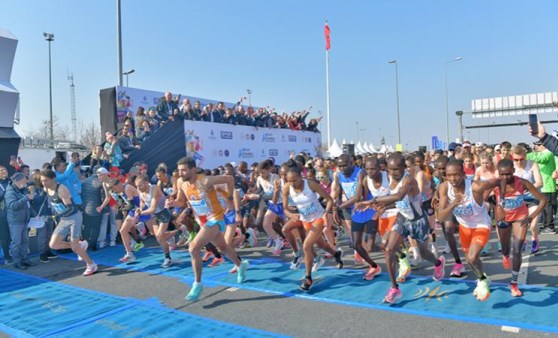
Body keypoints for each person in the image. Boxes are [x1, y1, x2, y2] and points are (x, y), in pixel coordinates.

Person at [167, 157, 249, 301]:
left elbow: (229, 179)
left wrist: (229, 198)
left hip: (216, 218)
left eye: (184, 170)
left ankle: (197, 284)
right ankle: (241, 264)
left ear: (193, 169)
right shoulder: (181, 182)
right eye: (179, 170)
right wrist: (173, 203)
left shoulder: (205, 181)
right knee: (223, 247)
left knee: (193, 248)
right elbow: (181, 201)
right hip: (202, 220)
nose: (180, 173)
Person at [370, 154, 445, 304]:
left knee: (423, 254)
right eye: (390, 169)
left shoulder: (408, 180)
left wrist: (371, 201)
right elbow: (398, 203)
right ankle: (394, 288)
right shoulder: (390, 179)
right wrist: (383, 207)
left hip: (418, 221)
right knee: (388, 250)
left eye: (396, 169)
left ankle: (438, 263)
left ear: (404, 168)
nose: (393, 172)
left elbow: (398, 197)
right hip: (402, 219)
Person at [436, 160, 502, 301]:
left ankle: (483, 281)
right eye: (449, 175)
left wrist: (500, 204)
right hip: (464, 227)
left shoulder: (476, 186)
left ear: (464, 174)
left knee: (471, 257)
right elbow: (441, 217)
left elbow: (499, 181)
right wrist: (453, 204)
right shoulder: (444, 188)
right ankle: (482, 278)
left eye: (456, 175)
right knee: (471, 260)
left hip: (481, 225)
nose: (453, 179)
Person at [283, 159, 343, 292]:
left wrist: (326, 213)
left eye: (294, 180)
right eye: (289, 181)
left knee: (306, 246)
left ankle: (308, 278)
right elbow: (285, 208)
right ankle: (336, 254)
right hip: (306, 220)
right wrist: (290, 215)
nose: (292, 183)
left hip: (318, 218)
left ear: (300, 176)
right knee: (321, 245)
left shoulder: (311, 185)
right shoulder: (287, 188)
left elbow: (329, 200)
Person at [494, 159, 546, 297]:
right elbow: (480, 198)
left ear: (513, 171)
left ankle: (514, 283)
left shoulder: (522, 183)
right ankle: (505, 256)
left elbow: (543, 199)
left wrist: (531, 216)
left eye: (508, 174)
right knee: (505, 249)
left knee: (517, 249)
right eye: (502, 174)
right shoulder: (495, 184)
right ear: (498, 173)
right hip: (504, 219)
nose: (505, 177)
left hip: (520, 217)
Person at [41, 169, 97, 276]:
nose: (44, 183)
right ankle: (80, 244)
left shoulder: (61, 189)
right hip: (64, 219)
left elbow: (70, 208)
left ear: (53, 179)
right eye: (42, 181)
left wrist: (55, 216)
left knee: (75, 248)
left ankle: (91, 264)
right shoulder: (46, 188)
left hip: (74, 217)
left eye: (46, 180)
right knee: (54, 244)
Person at [135, 175, 175, 268]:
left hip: (164, 212)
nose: (138, 188)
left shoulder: (154, 189)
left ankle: (168, 258)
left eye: (140, 185)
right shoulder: (140, 190)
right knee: (157, 237)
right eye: (136, 186)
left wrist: (141, 213)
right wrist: (140, 208)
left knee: (160, 237)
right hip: (155, 215)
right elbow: (142, 201)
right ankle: (171, 236)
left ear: (146, 183)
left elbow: (152, 208)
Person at [511, 145, 543, 253]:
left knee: (533, 225)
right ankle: (523, 240)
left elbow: (539, 182)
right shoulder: (512, 168)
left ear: (525, 156)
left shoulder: (532, 164)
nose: (519, 162)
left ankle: (535, 239)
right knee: (521, 224)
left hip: (533, 198)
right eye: (516, 160)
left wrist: (528, 188)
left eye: (521, 159)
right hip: (519, 201)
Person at [526, 140, 556, 234]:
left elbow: (540, 159)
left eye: (538, 145)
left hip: (548, 184)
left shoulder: (548, 153)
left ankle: (550, 226)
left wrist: (528, 154)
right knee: (543, 207)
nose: (537, 147)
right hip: (543, 185)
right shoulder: (542, 153)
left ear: (544, 145)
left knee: (548, 206)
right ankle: (545, 224)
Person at [5, 173, 34, 270]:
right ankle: (17, 262)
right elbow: (12, 206)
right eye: (25, 181)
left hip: (24, 219)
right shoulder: (10, 192)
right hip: (15, 221)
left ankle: (25, 259)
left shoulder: (21, 189)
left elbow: (27, 205)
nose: (26, 183)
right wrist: (26, 198)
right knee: (17, 242)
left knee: (25, 241)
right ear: (19, 181)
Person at [30, 172, 55, 263]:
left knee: (49, 233)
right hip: (41, 215)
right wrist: (44, 191)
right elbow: (37, 200)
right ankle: (42, 253)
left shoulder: (48, 188)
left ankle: (48, 250)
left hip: (49, 213)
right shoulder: (34, 189)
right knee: (42, 235)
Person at [81, 169, 104, 250]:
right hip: (96, 208)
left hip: (86, 208)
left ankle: (85, 244)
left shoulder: (84, 182)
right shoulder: (99, 182)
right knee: (95, 228)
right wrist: (104, 208)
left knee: (86, 227)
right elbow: (102, 197)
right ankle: (93, 245)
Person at [0, 165, 13, 264]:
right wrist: (6, 192)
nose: (3, 171)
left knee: (13, 235)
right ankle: (7, 256)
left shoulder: (11, 181)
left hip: (14, 213)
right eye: (1, 170)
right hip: (2, 214)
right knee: (4, 236)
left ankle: (14, 253)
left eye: (4, 169)